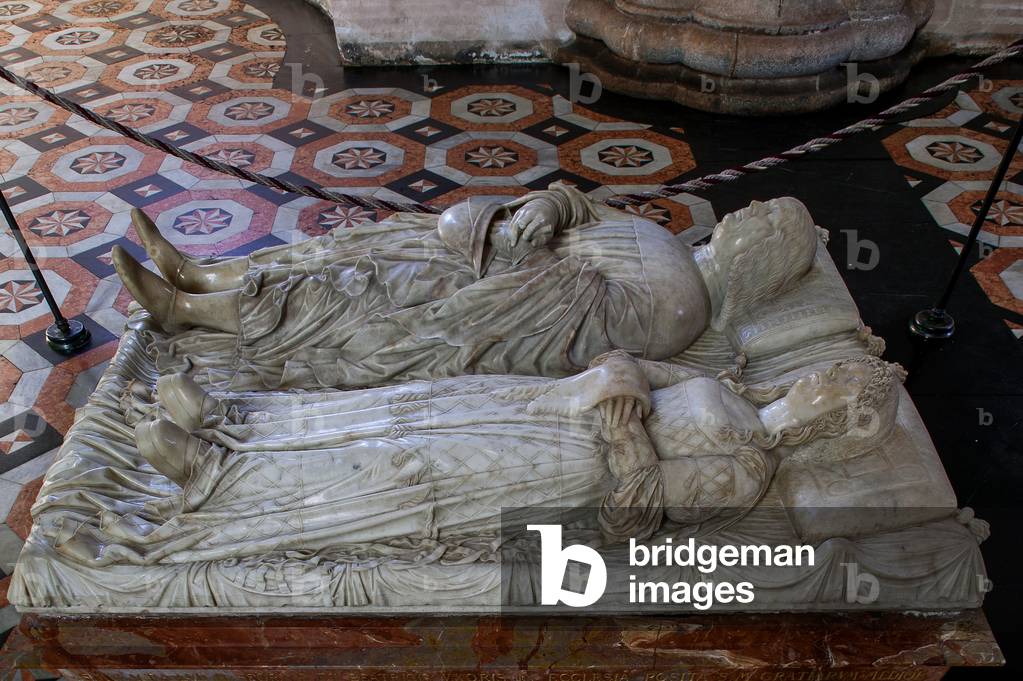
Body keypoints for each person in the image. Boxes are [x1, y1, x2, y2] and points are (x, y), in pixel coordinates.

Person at [72, 354, 904, 566]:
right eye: (833, 369)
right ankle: (234, 419)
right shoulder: (727, 384)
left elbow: (637, 516)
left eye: (838, 386)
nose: (821, 377)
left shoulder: (747, 467)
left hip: (553, 460)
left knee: (399, 461)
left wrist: (622, 430)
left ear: (836, 422)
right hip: (544, 400)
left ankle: (217, 478)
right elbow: (633, 362)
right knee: (407, 404)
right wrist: (621, 379)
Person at [113, 184, 821, 390]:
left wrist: (520, 249)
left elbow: (561, 327)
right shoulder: (676, 248)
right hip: (494, 251)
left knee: (355, 290)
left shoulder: (680, 308)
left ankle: (185, 308)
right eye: (762, 206)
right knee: (359, 243)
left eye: (766, 219)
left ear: (760, 258)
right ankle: (201, 273)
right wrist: (544, 210)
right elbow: (577, 204)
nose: (750, 210)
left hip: (483, 299)